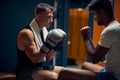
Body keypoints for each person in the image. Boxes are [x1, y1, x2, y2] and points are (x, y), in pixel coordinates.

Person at [58, 0, 120, 80]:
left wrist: (85, 38)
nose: (94, 17)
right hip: (109, 71)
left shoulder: (110, 30)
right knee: (85, 65)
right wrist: (88, 37)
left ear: (101, 12)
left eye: (94, 14)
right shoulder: (116, 26)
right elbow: (101, 57)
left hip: (113, 76)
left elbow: (94, 59)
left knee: (64, 73)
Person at [16, 3, 66, 80]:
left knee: (66, 72)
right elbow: (35, 59)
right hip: (25, 71)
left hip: (39, 68)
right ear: (39, 16)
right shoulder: (26, 33)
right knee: (53, 77)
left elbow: (48, 57)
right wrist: (49, 44)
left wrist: (58, 44)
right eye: (49, 17)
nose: (52, 20)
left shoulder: (44, 31)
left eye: (52, 17)